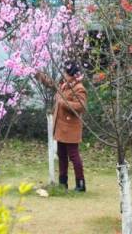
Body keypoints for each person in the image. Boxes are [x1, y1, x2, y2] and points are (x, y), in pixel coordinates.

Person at [36, 61, 88, 192]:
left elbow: (81, 106)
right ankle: (62, 183)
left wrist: (63, 102)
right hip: (60, 127)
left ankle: (80, 184)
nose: (63, 74)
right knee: (62, 155)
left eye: (65, 72)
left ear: (71, 74)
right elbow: (51, 84)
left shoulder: (79, 88)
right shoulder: (64, 84)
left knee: (74, 156)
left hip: (71, 128)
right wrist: (39, 74)